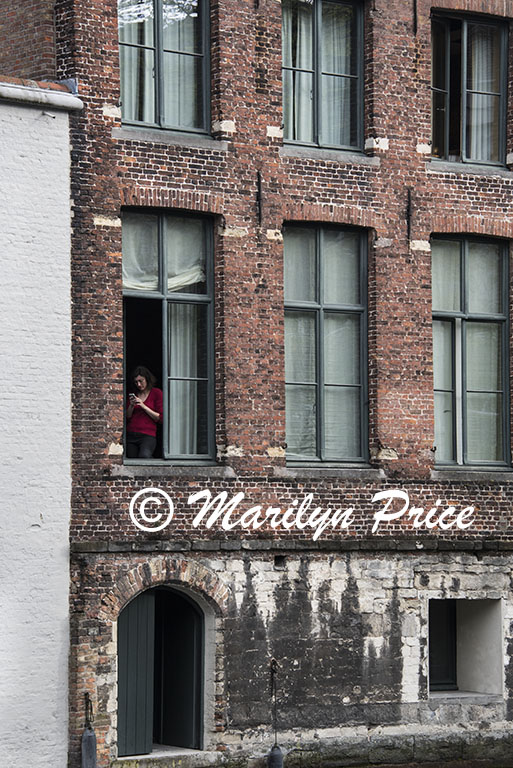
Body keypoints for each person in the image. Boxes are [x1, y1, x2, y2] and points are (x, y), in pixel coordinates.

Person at [126, 366, 163, 458]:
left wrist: (143, 406)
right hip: (131, 434)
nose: (138, 384)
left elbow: (160, 418)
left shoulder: (156, 393)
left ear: (147, 379)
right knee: (131, 460)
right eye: (136, 382)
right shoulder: (133, 394)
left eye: (141, 381)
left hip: (148, 435)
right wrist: (131, 405)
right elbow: (127, 417)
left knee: (145, 456)